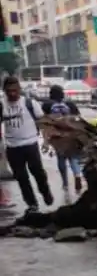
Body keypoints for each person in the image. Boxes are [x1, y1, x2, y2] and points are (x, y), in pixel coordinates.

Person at [1, 76, 53, 213]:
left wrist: (46, 141)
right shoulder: (1, 105)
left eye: (15, 90)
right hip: (12, 147)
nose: (12, 94)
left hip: (30, 144)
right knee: (21, 178)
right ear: (4, 91)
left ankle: (45, 192)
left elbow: (43, 122)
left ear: (19, 89)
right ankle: (32, 204)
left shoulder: (30, 103)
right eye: (9, 91)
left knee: (38, 173)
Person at [41, 85, 84, 193]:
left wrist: (46, 140)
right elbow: (79, 119)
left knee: (61, 160)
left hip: (58, 137)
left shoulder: (47, 105)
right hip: (71, 136)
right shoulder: (70, 104)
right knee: (73, 158)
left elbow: (45, 122)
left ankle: (65, 183)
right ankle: (77, 174)